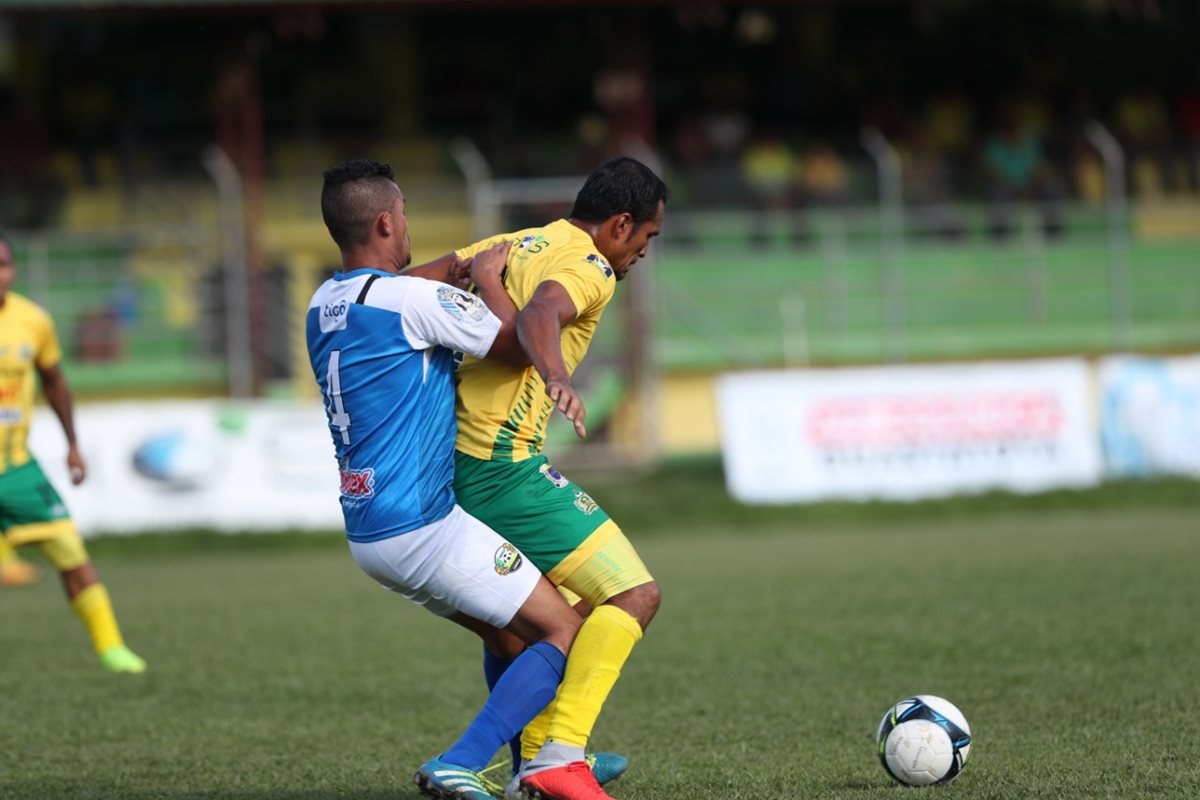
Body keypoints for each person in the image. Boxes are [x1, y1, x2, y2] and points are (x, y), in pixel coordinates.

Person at [304, 159, 585, 800]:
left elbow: (392, 287)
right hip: (423, 524)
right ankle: (462, 762)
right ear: (384, 220)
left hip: (369, 532)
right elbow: (514, 345)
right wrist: (488, 275)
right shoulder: (416, 301)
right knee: (562, 627)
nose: (408, 228)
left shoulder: (324, 304)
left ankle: (525, 774)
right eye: (403, 215)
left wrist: (454, 262)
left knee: (510, 634)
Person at [434, 156, 669, 800]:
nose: (643, 252)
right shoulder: (591, 267)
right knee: (633, 595)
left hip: (450, 467)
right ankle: (558, 755)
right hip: (503, 469)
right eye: (647, 237)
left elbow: (409, 283)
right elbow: (541, 313)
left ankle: (526, 770)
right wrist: (558, 376)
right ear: (620, 225)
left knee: (525, 627)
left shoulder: (510, 245)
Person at [0, 232, 146, 673]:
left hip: (17, 470)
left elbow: (55, 381)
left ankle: (111, 648)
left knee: (71, 555)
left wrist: (72, 446)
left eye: (4, 264)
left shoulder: (33, 320)